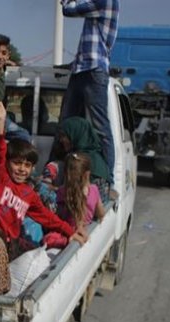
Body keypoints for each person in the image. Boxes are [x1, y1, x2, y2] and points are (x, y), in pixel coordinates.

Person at [0, 99, 85, 259]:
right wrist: (0, 122)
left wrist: (70, 232)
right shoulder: (0, 178)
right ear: (7, 163)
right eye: (17, 163)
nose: (22, 169)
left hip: (8, 248)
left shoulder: (29, 194)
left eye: (27, 165)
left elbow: (48, 218)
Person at [58, 0, 119, 193]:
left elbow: (69, 9)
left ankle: (107, 180)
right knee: (65, 125)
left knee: (101, 128)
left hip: (94, 69)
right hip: (82, 68)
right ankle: (56, 174)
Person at [54, 116, 113, 193]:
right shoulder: (93, 156)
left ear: (75, 134)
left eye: (64, 136)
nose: (61, 140)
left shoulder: (82, 161)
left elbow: (78, 194)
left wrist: (51, 189)